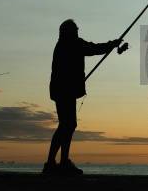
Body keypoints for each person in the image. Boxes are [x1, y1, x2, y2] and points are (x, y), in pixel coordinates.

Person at [43, 19, 121, 175]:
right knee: (67, 124)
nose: (78, 32)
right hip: (65, 90)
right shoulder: (73, 43)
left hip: (61, 90)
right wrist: (112, 44)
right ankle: (56, 163)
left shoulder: (63, 45)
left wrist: (111, 45)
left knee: (67, 125)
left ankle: (58, 162)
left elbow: (90, 49)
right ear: (70, 32)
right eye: (76, 30)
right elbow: (93, 48)